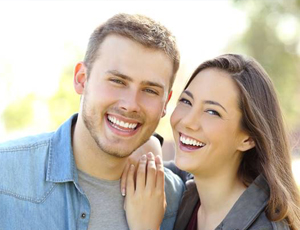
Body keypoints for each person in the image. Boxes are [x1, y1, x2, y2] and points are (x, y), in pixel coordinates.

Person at [0, 13, 184, 230]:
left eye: (150, 90)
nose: (131, 104)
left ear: (165, 103)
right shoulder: (5, 174)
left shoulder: (175, 199)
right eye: (117, 81)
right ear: (81, 80)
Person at [123, 54, 300, 230]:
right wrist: (151, 145)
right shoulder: (188, 190)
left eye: (212, 112)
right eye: (186, 101)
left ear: (248, 139)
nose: (187, 121)